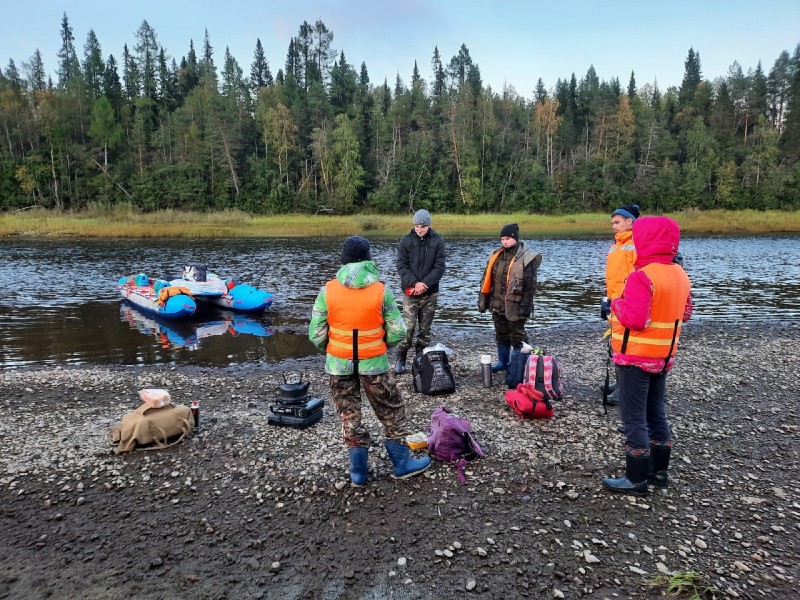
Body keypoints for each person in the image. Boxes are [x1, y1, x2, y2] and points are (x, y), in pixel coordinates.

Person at [309, 236, 430, 486]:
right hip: (373, 364)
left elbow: (316, 334)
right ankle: (402, 464)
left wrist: (332, 349)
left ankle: (358, 474)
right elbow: (399, 330)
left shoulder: (327, 290)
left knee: (349, 416)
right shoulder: (380, 291)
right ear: (368, 259)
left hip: (338, 365)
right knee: (391, 411)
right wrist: (379, 346)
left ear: (343, 259)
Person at [602, 216, 692, 497]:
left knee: (633, 417)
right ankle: (659, 472)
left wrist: (615, 304)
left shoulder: (643, 275)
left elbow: (636, 319)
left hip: (636, 357)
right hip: (663, 356)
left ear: (646, 241)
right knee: (656, 412)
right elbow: (686, 313)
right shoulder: (680, 273)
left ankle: (636, 478)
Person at [477, 223, 542, 374]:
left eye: (507, 238)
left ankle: (520, 366)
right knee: (501, 335)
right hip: (497, 304)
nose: (504, 241)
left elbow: (530, 286)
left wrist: (525, 307)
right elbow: (486, 280)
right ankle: (503, 363)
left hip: (516, 306)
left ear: (515, 238)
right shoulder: (496, 255)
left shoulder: (527, 258)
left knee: (517, 337)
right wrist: (483, 300)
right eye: (502, 239)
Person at [394, 209, 447, 374]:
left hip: (430, 292)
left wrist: (424, 284)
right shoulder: (405, 241)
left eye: (422, 226)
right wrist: (415, 283)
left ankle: (419, 360)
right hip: (410, 292)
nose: (419, 229)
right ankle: (400, 358)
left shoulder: (437, 241)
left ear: (428, 225)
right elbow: (401, 266)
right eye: (417, 226)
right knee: (408, 328)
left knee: (425, 330)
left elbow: (439, 267)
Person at [601, 203, 640, 405]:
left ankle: (625, 390)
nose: (613, 226)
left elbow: (637, 276)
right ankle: (619, 384)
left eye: (617, 222)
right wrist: (606, 301)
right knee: (615, 345)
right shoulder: (615, 245)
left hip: (628, 303)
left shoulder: (637, 243)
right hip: (615, 303)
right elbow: (612, 278)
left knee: (626, 346)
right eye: (612, 223)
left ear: (629, 221)